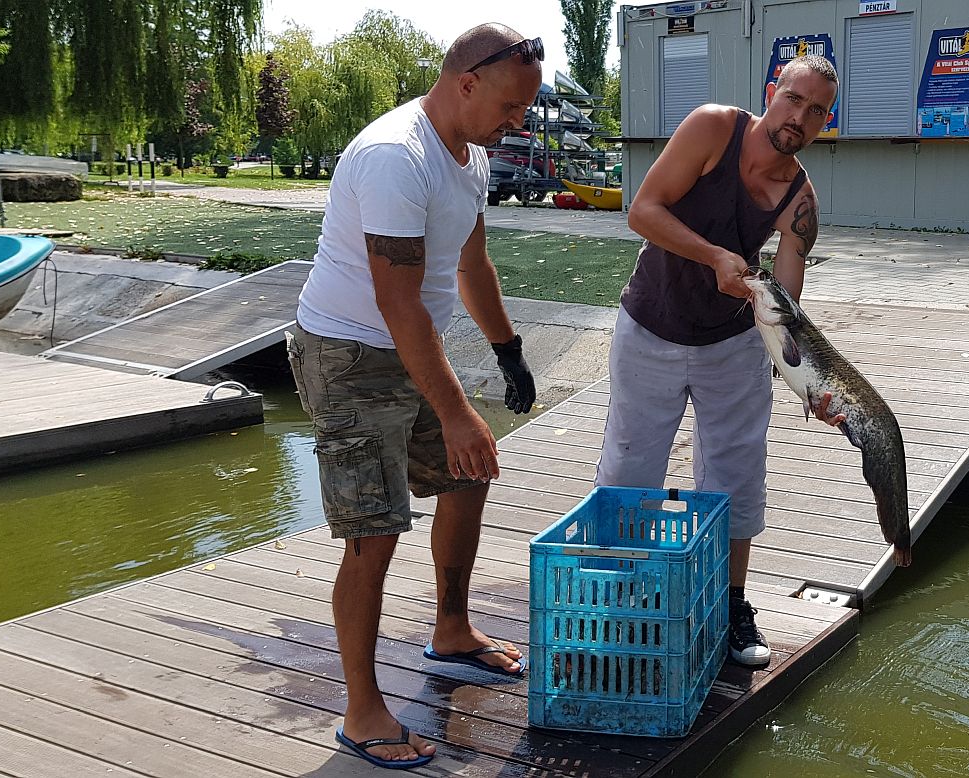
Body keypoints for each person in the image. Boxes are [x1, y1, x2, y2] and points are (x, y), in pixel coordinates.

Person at [286, 23, 543, 770]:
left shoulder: (472, 154)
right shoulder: (395, 157)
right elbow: (398, 305)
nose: (518, 122)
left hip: (407, 345)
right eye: (511, 106)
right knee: (375, 526)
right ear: (467, 82)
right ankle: (362, 711)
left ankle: (452, 628)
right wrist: (459, 410)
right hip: (347, 352)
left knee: (471, 472)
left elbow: (472, 260)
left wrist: (509, 351)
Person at [595, 55, 841, 668]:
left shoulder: (800, 202)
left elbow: (785, 307)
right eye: (793, 99)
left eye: (816, 111)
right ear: (770, 94)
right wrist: (715, 257)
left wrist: (807, 382)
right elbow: (643, 211)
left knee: (735, 475)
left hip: (732, 344)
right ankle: (621, 595)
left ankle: (731, 605)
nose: (799, 117)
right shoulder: (712, 128)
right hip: (651, 325)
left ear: (825, 122)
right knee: (630, 468)